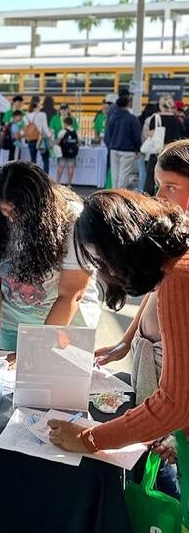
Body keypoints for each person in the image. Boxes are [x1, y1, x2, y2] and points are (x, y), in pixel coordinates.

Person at [48, 191, 189, 465]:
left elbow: (174, 403)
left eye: (100, 261)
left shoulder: (178, 279)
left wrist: (89, 438)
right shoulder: (177, 257)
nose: (103, 271)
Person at [91, 140, 189, 495]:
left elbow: (177, 402)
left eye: (171, 186)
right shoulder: (175, 251)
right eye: (157, 184)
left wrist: (89, 439)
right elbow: (154, 291)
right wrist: (126, 340)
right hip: (160, 381)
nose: (160, 196)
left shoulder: (181, 271)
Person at [0, 161, 100, 351]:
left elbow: (71, 295)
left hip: (65, 326)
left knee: (57, 379)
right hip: (14, 325)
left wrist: (39, 347)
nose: (11, 218)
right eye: (5, 211)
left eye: (18, 212)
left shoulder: (73, 221)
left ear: (41, 207)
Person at [143, 95, 186, 195]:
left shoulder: (156, 118)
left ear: (160, 105)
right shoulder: (177, 120)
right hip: (172, 154)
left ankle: (149, 200)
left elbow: (149, 134)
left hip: (157, 152)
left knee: (151, 178)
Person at [105, 95, 142, 190]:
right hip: (128, 150)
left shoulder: (112, 118)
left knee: (115, 175)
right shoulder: (132, 119)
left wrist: (110, 145)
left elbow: (107, 134)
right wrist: (138, 148)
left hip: (114, 149)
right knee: (124, 175)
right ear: (128, 104)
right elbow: (136, 136)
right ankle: (120, 195)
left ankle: (114, 195)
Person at [23, 98, 51, 173]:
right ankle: (45, 179)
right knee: (45, 160)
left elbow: (25, 129)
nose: (41, 105)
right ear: (37, 105)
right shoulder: (42, 114)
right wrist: (49, 136)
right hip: (41, 139)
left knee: (33, 160)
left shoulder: (26, 116)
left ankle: (34, 178)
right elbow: (44, 127)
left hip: (31, 139)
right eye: (40, 104)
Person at [55, 116, 79, 186]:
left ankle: (58, 183)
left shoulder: (63, 131)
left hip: (63, 152)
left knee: (61, 167)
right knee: (71, 167)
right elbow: (79, 142)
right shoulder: (75, 132)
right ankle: (69, 184)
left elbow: (58, 142)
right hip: (72, 153)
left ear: (65, 123)